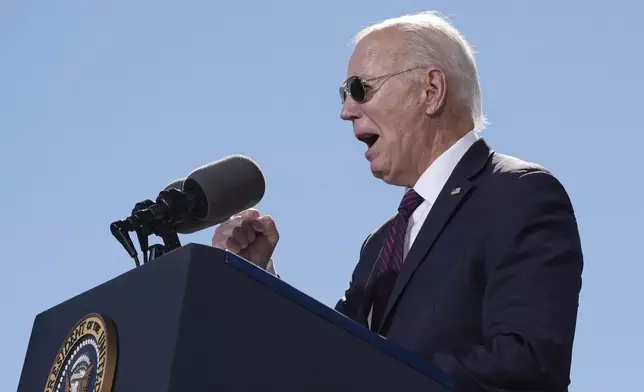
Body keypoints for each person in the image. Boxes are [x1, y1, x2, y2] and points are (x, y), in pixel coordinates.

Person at [211, 11, 583, 392]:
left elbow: (529, 364)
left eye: (359, 89)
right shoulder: (380, 245)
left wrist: (378, 378)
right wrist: (259, 281)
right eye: (344, 95)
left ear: (431, 90)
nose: (345, 111)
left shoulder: (518, 194)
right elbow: (327, 358)